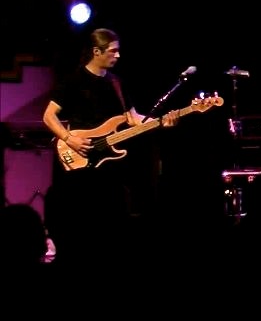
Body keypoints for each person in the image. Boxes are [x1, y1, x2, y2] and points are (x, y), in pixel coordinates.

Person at [41, 28, 179, 265]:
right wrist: (69, 138)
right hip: (80, 162)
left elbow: (133, 118)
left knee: (112, 226)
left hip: (109, 168)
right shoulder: (73, 80)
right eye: (113, 51)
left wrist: (161, 122)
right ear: (97, 51)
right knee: (81, 226)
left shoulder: (116, 83)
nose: (118, 56)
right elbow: (48, 116)